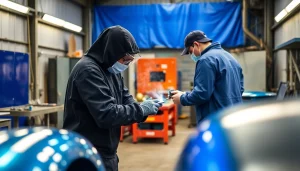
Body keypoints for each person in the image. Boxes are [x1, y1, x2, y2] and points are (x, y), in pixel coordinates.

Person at [63, 25, 162, 171]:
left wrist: (142, 107)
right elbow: (106, 114)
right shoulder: (88, 70)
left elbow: (125, 97)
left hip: (106, 151)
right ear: (111, 52)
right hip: (87, 152)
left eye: (130, 60)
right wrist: (140, 110)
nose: (127, 64)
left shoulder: (111, 69)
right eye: (125, 59)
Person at [171, 30, 244, 125]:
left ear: (196, 44)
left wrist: (182, 98)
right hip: (233, 117)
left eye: (190, 51)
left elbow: (202, 94)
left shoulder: (206, 60)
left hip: (215, 120)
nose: (192, 55)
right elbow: (239, 89)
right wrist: (185, 94)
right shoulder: (230, 58)